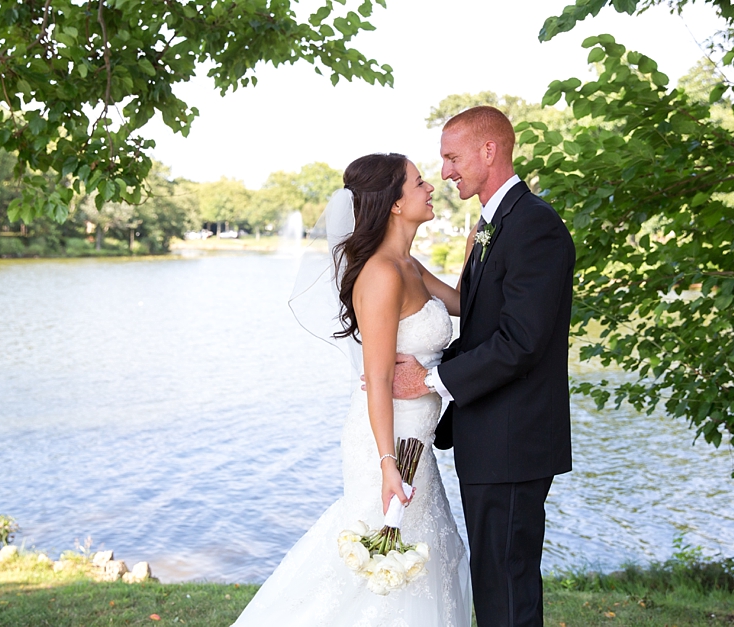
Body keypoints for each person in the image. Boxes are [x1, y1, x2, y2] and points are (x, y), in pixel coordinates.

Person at [232, 153, 472, 626]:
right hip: (386, 442)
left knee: (424, 556)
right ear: (395, 204)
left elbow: (465, 304)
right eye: (419, 182)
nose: (430, 188)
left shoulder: (410, 265)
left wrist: (473, 252)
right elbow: (377, 379)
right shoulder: (381, 274)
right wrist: (387, 466)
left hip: (417, 442)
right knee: (381, 560)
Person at [391, 106, 575, 627]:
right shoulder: (495, 225)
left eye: (452, 157)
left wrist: (429, 379)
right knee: (494, 581)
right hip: (491, 436)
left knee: (507, 584)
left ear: (488, 150)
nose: (445, 171)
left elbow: (519, 342)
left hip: (514, 440)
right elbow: (478, 323)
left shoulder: (534, 226)